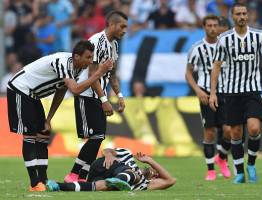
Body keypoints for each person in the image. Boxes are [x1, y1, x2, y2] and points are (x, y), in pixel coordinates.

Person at [6, 40, 113, 191]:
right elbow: (75, 90)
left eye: (92, 58)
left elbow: (61, 91)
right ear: (76, 56)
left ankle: (43, 180)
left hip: (33, 95)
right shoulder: (63, 62)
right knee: (29, 136)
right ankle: (35, 183)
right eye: (88, 57)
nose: (90, 61)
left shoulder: (76, 68)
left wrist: (48, 119)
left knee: (43, 134)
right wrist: (99, 73)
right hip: (20, 88)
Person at [209, 3, 262, 184]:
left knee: (254, 128)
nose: (242, 16)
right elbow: (216, 66)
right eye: (238, 14)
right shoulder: (224, 39)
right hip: (231, 93)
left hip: (252, 91)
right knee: (235, 133)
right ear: (232, 16)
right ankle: (239, 172)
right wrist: (213, 93)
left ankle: (251, 164)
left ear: (249, 15)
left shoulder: (258, 36)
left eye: (244, 13)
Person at [64, 11, 128, 183]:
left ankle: (82, 176)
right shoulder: (96, 41)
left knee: (98, 138)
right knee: (96, 137)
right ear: (112, 25)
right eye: (122, 26)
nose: (125, 30)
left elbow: (112, 74)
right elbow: (93, 74)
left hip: (99, 96)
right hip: (87, 94)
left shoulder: (113, 46)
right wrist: (104, 100)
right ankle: (73, 174)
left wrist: (119, 95)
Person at [185, 15, 231, 181]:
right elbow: (188, 73)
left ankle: (222, 158)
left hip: (225, 91)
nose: (212, 28)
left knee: (228, 131)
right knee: (210, 132)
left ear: (219, 27)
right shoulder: (196, 48)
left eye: (215, 25)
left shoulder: (226, 45)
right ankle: (210, 170)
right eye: (209, 25)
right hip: (205, 92)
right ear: (204, 27)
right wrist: (198, 90)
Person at [47, 148, 176, 191]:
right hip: (101, 165)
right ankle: (116, 180)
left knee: (98, 186)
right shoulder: (127, 154)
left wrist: (150, 160)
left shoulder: (144, 183)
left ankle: (57, 185)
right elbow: (107, 150)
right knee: (132, 174)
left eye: (156, 175)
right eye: (154, 170)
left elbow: (171, 180)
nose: (155, 173)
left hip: (103, 180)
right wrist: (109, 155)